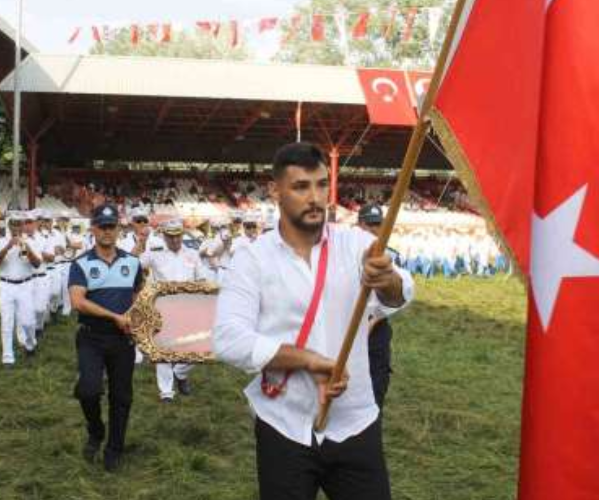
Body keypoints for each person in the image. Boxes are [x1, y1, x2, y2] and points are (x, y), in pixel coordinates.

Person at [213, 143, 414, 500]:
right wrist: (307, 360)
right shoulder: (252, 259)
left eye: (322, 185)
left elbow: (400, 293)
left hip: (355, 422)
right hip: (283, 425)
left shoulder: (356, 245)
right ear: (275, 190)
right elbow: (229, 339)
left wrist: (388, 282)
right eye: (301, 186)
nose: (315, 197)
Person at [69, 205, 144, 472]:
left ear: (118, 230)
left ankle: (114, 449)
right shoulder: (80, 264)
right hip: (92, 338)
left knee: (121, 397)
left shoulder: (133, 263)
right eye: (101, 226)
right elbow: (77, 301)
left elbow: (138, 299)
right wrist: (114, 316)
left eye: (111, 226)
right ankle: (96, 429)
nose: (107, 231)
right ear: (93, 229)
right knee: (88, 390)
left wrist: (137, 321)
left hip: (122, 340)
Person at [140, 217, 210, 402]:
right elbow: (134, 266)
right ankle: (166, 392)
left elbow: (201, 278)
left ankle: (180, 373)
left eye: (178, 236)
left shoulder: (192, 254)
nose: (175, 240)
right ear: (163, 236)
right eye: (171, 237)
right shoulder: (154, 253)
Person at [356, 203, 401, 411]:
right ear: (359, 224)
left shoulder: (392, 256)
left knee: (376, 387)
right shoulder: (347, 254)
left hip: (377, 331)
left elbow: (398, 296)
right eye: (368, 224)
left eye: (377, 225)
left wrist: (375, 320)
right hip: (349, 325)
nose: (373, 230)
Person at [0, 211, 41, 367]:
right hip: (6, 285)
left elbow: (37, 264)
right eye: (14, 224)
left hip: (25, 285)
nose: (16, 227)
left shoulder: (31, 241)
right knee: (7, 322)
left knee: (28, 322)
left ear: (23, 226)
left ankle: (30, 343)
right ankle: (7, 357)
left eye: (19, 224)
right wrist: (8, 246)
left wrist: (26, 247)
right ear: (9, 225)